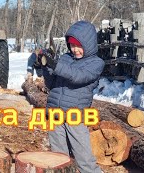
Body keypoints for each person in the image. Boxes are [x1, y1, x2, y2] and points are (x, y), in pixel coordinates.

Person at [42, 20, 105, 173]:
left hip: (75, 116)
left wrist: (56, 65)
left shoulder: (96, 64)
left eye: (78, 46)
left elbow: (77, 77)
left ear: (88, 44)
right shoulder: (65, 58)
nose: (75, 49)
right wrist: (45, 66)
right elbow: (51, 83)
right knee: (59, 159)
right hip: (55, 114)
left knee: (84, 161)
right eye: (72, 45)